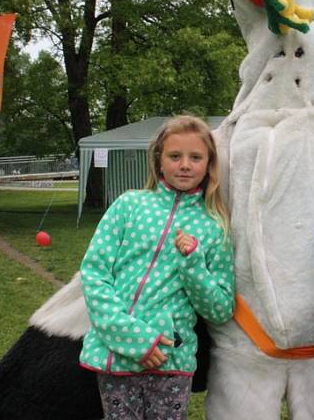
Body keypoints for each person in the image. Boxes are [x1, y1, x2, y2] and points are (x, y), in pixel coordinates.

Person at [78, 115, 236, 420]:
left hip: (170, 359)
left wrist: (193, 265)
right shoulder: (129, 206)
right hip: (116, 353)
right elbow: (95, 273)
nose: (185, 165)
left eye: (195, 157)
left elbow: (220, 308)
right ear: (159, 160)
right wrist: (131, 337)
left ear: (209, 164)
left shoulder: (213, 227)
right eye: (175, 156)